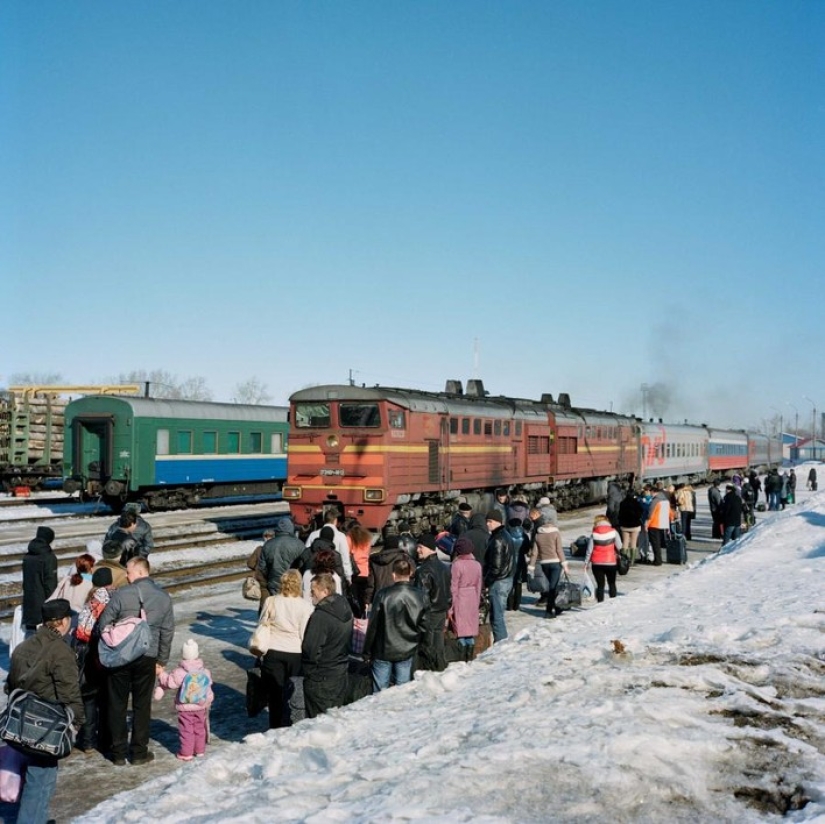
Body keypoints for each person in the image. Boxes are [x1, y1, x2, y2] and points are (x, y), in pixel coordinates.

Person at [6, 598, 85, 824]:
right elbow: (70, 693)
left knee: (36, 777)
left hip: (22, 722)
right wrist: (77, 723)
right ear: (61, 622)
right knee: (40, 781)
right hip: (47, 727)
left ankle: (36, 818)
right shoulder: (61, 652)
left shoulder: (23, 646)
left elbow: (10, 685)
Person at [98, 556, 174, 766]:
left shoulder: (122, 594)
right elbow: (167, 631)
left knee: (117, 703)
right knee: (142, 704)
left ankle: (118, 753)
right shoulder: (163, 597)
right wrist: (162, 660)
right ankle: (139, 752)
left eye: (129, 572)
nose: (126, 576)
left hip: (121, 656)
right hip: (147, 656)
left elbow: (103, 624)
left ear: (140, 572)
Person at [253, 569, 315, 728]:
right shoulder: (306, 606)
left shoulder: (271, 601)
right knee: (293, 692)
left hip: (273, 651)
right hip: (295, 653)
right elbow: (304, 633)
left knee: (275, 694)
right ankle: (291, 723)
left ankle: (275, 726)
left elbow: (262, 623)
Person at [363, 557, 429, 692]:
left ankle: (379, 712)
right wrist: (418, 643)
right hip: (407, 648)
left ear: (393, 574)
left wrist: (367, 650)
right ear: (410, 573)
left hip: (383, 649)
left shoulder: (383, 595)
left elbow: (373, 625)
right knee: (403, 691)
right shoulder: (420, 595)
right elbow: (424, 624)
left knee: (380, 693)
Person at [73, 567, 115, 755]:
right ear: (110, 581)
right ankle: (106, 740)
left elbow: (81, 629)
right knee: (107, 697)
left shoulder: (91, 599)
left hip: (87, 651)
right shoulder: (115, 597)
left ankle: (88, 741)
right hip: (107, 649)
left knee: (88, 698)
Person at [301, 573, 353, 718]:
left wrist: (309, 671)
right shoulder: (345, 607)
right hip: (340, 672)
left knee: (318, 722)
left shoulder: (321, 616)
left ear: (325, 591)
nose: (311, 595)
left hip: (321, 676)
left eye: (313, 591)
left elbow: (310, 649)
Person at [154, 638, 214, 761]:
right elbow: (208, 686)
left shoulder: (180, 672)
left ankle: (186, 753)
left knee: (186, 730)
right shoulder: (205, 671)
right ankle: (200, 750)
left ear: (183, 655)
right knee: (199, 728)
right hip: (201, 705)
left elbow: (169, 682)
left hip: (185, 706)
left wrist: (161, 674)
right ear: (197, 654)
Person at [413, 533, 451, 672]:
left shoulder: (423, 571)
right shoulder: (444, 567)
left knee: (426, 646)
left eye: (420, 547)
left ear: (428, 548)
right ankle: (441, 670)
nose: (417, 550)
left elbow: (421, 599)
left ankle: (428, 674)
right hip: (441, 611)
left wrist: (419, 618)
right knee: (438, 644)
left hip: (429, 614)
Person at [482, 510, 515, 643]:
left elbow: (496, 567)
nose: (487, 524)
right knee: (498, 615)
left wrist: (486, 581)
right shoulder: (505, 535)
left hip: (499, 581)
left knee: (497, 617)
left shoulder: (498, 539)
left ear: (497, 522)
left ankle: (500, 644)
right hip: (506, 579)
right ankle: (501, 642)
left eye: (489, 521)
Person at [447, 536, 483, 660]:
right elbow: (479, 586)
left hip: (460, 599)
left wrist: (451, 608)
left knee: (461, 631)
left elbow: (453, 587)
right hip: (473, 597)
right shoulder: (477, 565)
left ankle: (462, 659)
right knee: (470, 633)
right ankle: (470, 657)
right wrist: (476, 602)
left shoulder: (456, 565)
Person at [529, 509, 568, 618]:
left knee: (552, 586)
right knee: (552, 587)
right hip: (556, 563)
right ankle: (549, 611)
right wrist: (564, 564)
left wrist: (531, 566)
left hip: (544, 564)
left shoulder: (538, 534)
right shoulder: (556, 533)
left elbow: (535, 552)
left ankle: (558, 608)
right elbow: (559, 549)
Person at [22, 526, 58, 638]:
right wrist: (53, 605)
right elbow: (50, 584)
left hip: (29, 603)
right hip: (43, 605)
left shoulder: (28, 556)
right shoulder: (49, 557)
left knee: (30, 636)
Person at [258, 516, 306, 597]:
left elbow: (262, 567)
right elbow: (303, 565)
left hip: (274, 584)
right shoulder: (299, 544)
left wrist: (270, 577)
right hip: (293, 584)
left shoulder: (268, 544)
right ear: (291, 529)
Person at [303, 509, 353, 584]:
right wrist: (348, 577)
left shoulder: (313, 534)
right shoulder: (341, 536)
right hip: (333, 575)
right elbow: (345, 558)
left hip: (314, 574)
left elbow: (306, 555)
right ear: (335, 520)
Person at [364, 535, 411, 610]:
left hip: (380, 599)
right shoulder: (404, 558)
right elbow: (412, 576)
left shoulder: (375, 560)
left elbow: (371, 584)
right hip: (400, 597)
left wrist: (367, 601)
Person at [584, 515, 622, 602]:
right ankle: (613, 602)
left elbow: (589, 551)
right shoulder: (614, 532)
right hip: (611, 562)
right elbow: (620, 546)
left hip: (597, 563)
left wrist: (586, 563)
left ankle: (600, 603)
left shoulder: (593, 534)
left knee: (600, 585)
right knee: (612, 583)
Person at [346, 522, 373, 616]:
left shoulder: (349, 538)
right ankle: (363, 613)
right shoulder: (367, 539)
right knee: (363, 596)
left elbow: (347, 554)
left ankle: (357, 615)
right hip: (365, 572)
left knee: (354, 596)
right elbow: (368, 553)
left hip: (354, 572)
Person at [246, 529, 274, 615]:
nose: (267, 538)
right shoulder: (276, 549)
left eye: (268, 536)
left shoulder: (259, 549)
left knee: (263, 602)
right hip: (273, 579)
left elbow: (250, 563)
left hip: (262, 580)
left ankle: (262, 619)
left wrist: (257, 568)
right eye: (266, 536)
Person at [645, 485, 671, 566]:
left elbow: (650, 514)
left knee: (655, 543)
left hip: (654, 524)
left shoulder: (655, 501)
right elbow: (669, 512)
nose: (650, 494)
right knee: (658, 543)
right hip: (662, 524)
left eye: (651, 493)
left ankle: (657, 561)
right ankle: (659, 559)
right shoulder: (666, 500)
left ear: (654, 492)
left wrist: (646, 524)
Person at [618, 488, 643, 565]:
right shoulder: (637, 503)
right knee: (633, 542)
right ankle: (632, 561)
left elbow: (620, 514)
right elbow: (640, 513)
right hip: (635, 526)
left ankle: (623, 560)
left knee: (625, 542)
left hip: (624, 526)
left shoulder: (622, 503)